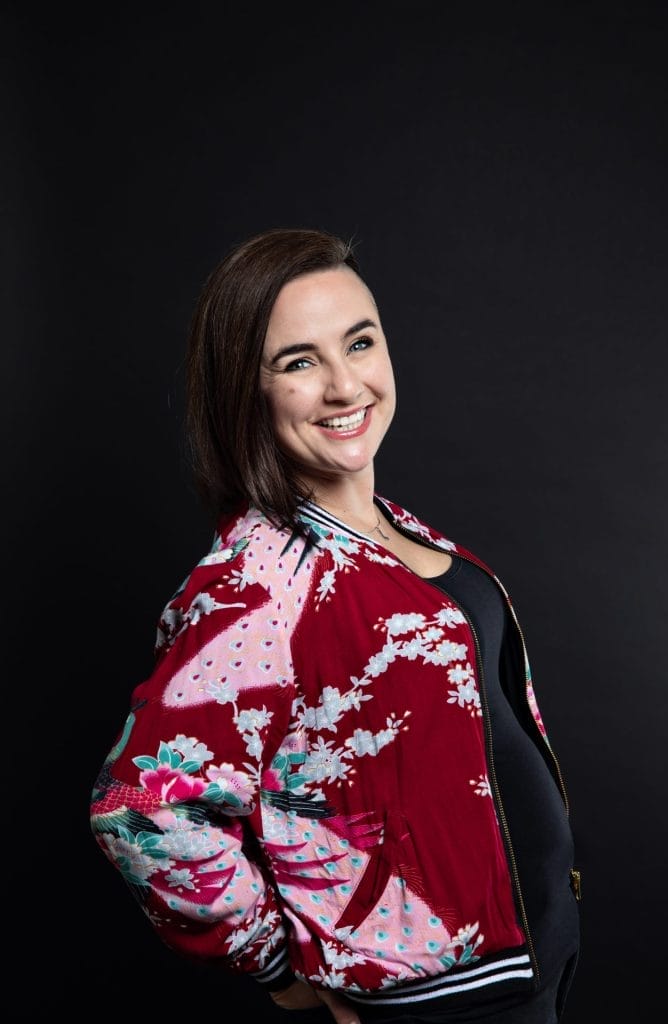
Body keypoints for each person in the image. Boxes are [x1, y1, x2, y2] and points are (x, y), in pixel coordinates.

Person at [90, 227, 581, 1023]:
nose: (344, 385)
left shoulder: (399, 528)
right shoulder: (257, 580)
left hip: (534, 963)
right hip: (431, 1003)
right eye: (298, 362)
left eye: (359, 342)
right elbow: (141, 808)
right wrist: (278, 965)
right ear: (247, 390)